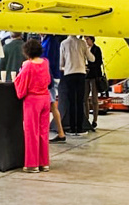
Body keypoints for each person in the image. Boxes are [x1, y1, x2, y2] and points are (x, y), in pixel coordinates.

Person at [13, 38, 52, 173]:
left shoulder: (28, 65)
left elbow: (20, 83)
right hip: (45, 98)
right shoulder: (45, 63)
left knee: (31, 132)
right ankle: (44, 162)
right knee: (43, 132)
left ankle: (32, 164)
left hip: (32, 100)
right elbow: (48, 80)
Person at [60, 34, 89, 134]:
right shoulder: (82, 43)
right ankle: (80, 128)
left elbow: (61, 63)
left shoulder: (63, 44)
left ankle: (72, 128)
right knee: (80, 102)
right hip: (81, 73)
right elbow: (91, 58)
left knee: (71, 102)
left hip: (69, 74)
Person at [40, 34, 67, 143]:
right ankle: (60, 132)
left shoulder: (50, 41)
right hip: (51, 75)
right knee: (51, 105)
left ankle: (60, 133)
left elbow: (48, 60)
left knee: (50, 105)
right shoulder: (48, 40)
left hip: (49, 76)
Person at [84, 36, 105, 131]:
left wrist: (89, 66)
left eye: (87, 39)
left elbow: (98, 62)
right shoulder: (84, 49)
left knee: (94, 99)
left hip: (94, 76)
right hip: (86, 76)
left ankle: (95, 120)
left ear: (92, 40)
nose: (86, 40)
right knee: (85, 98)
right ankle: (86, 118)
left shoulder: (97, 49)